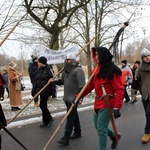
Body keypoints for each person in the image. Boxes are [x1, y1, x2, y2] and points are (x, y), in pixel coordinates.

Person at [76, 47, 124, 150]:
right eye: (95, 55)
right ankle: (114, 136)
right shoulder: (95, 70)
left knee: (101, 130)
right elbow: (89, 87)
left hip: (108, 104)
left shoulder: (113, 70)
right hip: (97, 103)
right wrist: (80, 96)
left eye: (98, 55)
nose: (96, 57)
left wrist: (117, 107)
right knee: (99, 127)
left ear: (103, 56)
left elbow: (120, 89)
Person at [49, 52, 86, 146]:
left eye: (69, 60)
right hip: (67, 97)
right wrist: (53, 82)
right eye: (66, 60)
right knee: (73, 115)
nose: (67, 61)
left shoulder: (78, 71)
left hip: (74, 98)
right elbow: (62, 81)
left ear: (73, 60)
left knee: (69, 117)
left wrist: (79, 98)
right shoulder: (65, 71)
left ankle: (66, 138)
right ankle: (77, 132)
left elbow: (82, 87)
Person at [32, 56, 54, 127]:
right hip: (40, 90)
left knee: (42, 105)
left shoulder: (48, 70)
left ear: (42, 63)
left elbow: (52, 81)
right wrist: (34, 91)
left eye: (39, 62)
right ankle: (45, 121)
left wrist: (53, 92)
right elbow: (36, 81)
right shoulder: (39, 70)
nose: (37, 63)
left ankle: (50, 119)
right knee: (43, 105)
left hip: (46, 90)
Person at [137, 48, 150, 143]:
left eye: (148, 55)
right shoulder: (140, 68)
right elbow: (138, 80)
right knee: (147, 114)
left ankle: (147, 132)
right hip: (145, 93)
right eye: (145, 56)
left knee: (149, 113)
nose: (147, 58)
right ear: (142, 58)